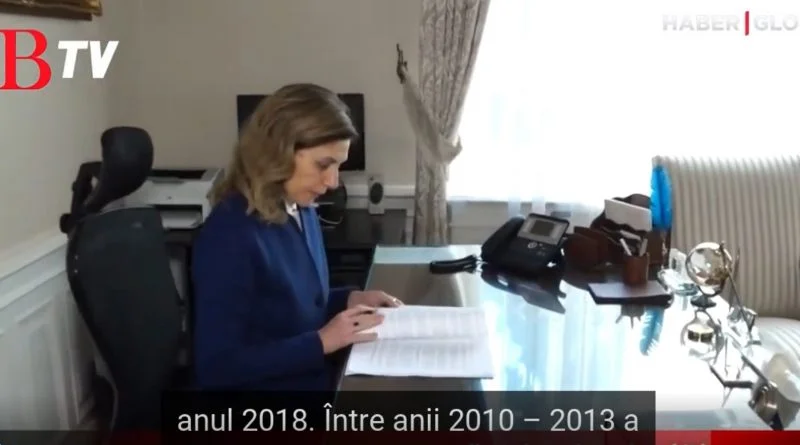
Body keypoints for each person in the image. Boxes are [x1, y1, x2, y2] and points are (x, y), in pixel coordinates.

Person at [191, 83, 402, 391]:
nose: (333, 182)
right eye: (323, 165)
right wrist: (321, 342)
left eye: (338, 166)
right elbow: (217, 367)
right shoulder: (229, 235)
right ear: (278, 152)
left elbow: (291, 307)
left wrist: (349, 299)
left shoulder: (301, 208)